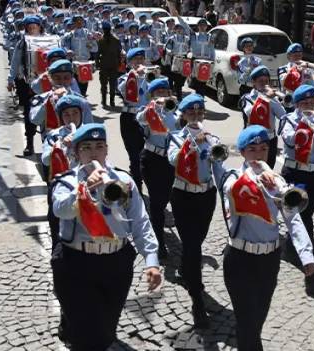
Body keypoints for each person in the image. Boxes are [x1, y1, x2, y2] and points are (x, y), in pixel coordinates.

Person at [51, 123, 162, 351]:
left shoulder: (124, 181)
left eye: (99, 146)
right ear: (76, 153)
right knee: (87, 335)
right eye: (87, 148)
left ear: (107, 150)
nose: (94, 152)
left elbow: (140, 221)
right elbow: (60, 209)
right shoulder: (66, 182)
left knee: (107, 328)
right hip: (76, 263)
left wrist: (151, 260)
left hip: (115, 261)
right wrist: (84, 189)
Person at [214, 125, 314, 351]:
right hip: (240, 258)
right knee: (247, 322)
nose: (259, 155)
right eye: (252, 150)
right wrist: (256, 177)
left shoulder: (276, 181)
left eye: (263, 149)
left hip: (269, 258)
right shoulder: (234, 178)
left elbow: (293, 219)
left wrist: (306, 255)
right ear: (242, 153)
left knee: (257, 318)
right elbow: (233, 192)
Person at [167, 94, 220, 328]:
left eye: (200, 113)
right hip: (184, 196)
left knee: (197, 241)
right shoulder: (176, 138)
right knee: (192, 245)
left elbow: (219, 166)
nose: (196, 117)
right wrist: (192, 143)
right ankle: (197, 299)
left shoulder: (212, 137)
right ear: (184, 115)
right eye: (192, 113)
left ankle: (186, 268)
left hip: (207, 195)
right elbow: (173, 160)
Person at [279, 84, 314, 296]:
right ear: (296, 105)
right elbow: (290, 141)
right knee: (302, 218)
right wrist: (307, 123)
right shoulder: (289, 121)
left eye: (312, 102)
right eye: (304, 103)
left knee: (305, 215)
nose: (309, 106)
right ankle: (310, 272)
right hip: (294, 174)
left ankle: (294, 246)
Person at [137, 78, 180, 260]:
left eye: (165, 92)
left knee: (171, 198)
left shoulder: (175, 111)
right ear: (152, 95)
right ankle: (159, 242)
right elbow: (140, 119)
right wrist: (153, 106)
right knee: (157, 202)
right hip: (152, 159)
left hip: (172, 161)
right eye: (158, 93)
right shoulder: (147, 111)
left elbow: (182, 127)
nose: (163, 96)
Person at [40, 94, 89, 246]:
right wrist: (60, 144)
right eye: (66, 114)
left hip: (84, 184)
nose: (71, 118)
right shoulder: (54, 135)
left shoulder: (90, 132)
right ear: (61, 117)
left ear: (81, 114)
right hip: (60, 186)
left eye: (75, 113)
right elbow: (45, 159)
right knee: (57, 225)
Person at [7, 15, 45, 156]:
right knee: (30, 113)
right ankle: (29, 143)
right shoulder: (23, 42)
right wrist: (11, 79)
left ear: (39, 27)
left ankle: (48, 143)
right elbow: (15, 61)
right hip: (28, 83)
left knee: (49, 112)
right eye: (30, 27)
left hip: (47, 82)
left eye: (35, 26)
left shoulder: (49, 39)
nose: (32, 29)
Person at [30, 59, 94, 137]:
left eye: (66, 78)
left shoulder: (81, 101)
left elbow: (89, 128)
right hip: (50, 144)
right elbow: (35, 120)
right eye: (57, 78)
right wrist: (50, 100)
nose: (62, 81)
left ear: (72, 78)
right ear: (50, 78)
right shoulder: (42, 99)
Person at [118, 48, 151, 196]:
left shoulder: (150, 77)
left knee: (147, 156)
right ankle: (137, 189)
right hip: (130, 119)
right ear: (129, 63)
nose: (139, 62)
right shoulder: (124, 78)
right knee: (134, 156)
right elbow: (123, 90)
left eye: (141, 59)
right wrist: (135, 76)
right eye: (135, 60)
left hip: (148, 119)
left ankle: (145, 182)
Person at [240, 66, 285, 168]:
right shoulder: (247, 98)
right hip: (253, 140)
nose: (264, 84)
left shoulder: (272, 98)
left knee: (269, 170)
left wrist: (276, 101)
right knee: (253, 169)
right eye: (261, 81)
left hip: (270, 140)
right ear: (253, 83)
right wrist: (265, 98)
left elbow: (282, 115)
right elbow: (251, 113)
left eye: (266, 81)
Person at [61, 15, 99, 96]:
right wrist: (67, 51)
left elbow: (95, 49)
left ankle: (82, 97)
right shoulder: (68, 35)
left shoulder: (88, 34)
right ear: (73, 23)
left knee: (84, 83)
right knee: (74, 82)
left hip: (85, 61)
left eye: (81, 21)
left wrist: (91, 45)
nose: (79, 23)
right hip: (73, 62)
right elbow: (63, 46)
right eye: (77, 21)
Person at [237, 36, 262, 125]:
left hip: (255, 89)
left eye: (251, 45)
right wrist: (247, 71)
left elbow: (261, 75)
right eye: (247, 46)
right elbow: (240, 79)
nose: (249, 47)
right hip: (245, 88)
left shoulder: (258, 60)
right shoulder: (240, 62)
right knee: (246, 112)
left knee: (256, 111)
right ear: (243, 48)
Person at [97, 21, 122, 107]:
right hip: (113, 64)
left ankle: (104, 101)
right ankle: (112, 101)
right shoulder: (116, 39)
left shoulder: (100, 40)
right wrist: (119, 63)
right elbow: (119, 53)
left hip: (104, 64)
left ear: (104, 30)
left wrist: (97, 64)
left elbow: (97, 54)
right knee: (112, 84)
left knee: (103, 84)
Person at [164, 22, 190, 99]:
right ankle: (177, 93)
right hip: (174, 58)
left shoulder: (187, 39)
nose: (179, 30)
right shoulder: (172, 39)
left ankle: (178, 89)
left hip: (184, 59)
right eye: (177, 28)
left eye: (181, 28)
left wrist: (189, 53)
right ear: (175, 30)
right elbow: (167, 47)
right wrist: (169, 52)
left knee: (183, 76)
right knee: (174, 76)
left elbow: (190, 48)